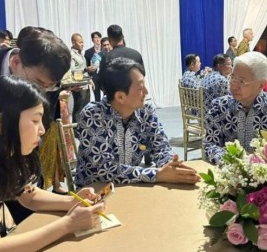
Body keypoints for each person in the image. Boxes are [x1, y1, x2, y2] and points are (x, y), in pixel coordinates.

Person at [0, 75, 105, 250]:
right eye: (35, 121)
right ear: (1, 122)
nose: (42, 130)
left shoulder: (6, 154)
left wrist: (72, 202)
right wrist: (68, 224)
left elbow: (29, 194)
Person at [75, 57, 200, 187]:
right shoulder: (93, 115)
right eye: (140, 87)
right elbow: (104, 170)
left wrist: (170, 165)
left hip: (132, 187)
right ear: (120, 97)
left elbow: (161, 146)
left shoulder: (146, 111)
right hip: (94, 193)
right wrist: (157, 174)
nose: (146, 92)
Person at [204, 52, 267, 165]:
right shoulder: (220, 106)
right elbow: (210, 144)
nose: (234, 85)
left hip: (265, 176)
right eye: (232, 77)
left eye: (241, 81)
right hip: (228, 173)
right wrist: (234, 162)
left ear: (261, 84)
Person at [69, 33, 95, 123]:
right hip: (78, 86)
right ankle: (75, 132)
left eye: (83, 42)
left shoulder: (81, 54)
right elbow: (71, 70)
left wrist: (90, 80)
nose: (82, 44)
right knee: (78, 110)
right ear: (73, 43)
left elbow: (84, 71)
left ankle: (84, 130)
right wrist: (85, 69)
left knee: (86, 110)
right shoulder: (71, 54)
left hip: (86, 85)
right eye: (80, 42)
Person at [90, 37, 113, 101]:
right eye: (104, 45)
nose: (106, 47)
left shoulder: (115, 54)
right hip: (103, 82)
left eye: (108, 44)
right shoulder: (97, 56)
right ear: (101, 46)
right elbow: (94, 67)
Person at [84, 32, 102, 101]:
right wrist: (89, 78)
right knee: (97, 96)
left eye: (99, 37)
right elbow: (86, 65)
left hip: (103, 76)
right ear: (92, 39)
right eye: (95, 38)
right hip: (94, 77)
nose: (97, 39)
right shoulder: (88, 52)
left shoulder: (104, 50)